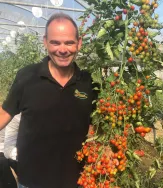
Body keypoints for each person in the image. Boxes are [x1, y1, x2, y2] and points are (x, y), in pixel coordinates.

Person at [0, 12, 96, 188]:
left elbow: (93, 126)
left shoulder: (88, 82)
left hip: (75, 181)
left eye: (69, 42)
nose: (62, 49)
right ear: (45, 42)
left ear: (79, 43)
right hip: (32, 181)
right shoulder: (27, 76)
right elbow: (5, 112)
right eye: (55, 42)